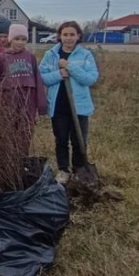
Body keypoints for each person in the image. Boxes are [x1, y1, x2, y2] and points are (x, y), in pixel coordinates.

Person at [40, 21, 99, 184]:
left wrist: (70, 67)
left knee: (79, 140)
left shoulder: (85, 55)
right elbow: (42, 77)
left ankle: (79, 170)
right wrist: (59, 73)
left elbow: (91, 79)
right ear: (60, 36)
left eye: (72, 34)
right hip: (58, 106)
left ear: (78, 36)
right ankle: (63, 170)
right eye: (65, 34)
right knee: (61, 140)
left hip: (79, 107)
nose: (68, 38)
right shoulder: (50, 55)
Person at [0, 24, 47, 157]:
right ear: (10, 39)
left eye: (23, 39)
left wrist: (42, 104)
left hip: (28, 100)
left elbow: (38, 80)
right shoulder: (2, 57)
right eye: (17, 39)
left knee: (25, 130)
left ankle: (22, 158)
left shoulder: (30, 57)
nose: (20, 42)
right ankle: (8, 158)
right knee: (8, 129)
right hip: (8, 99)